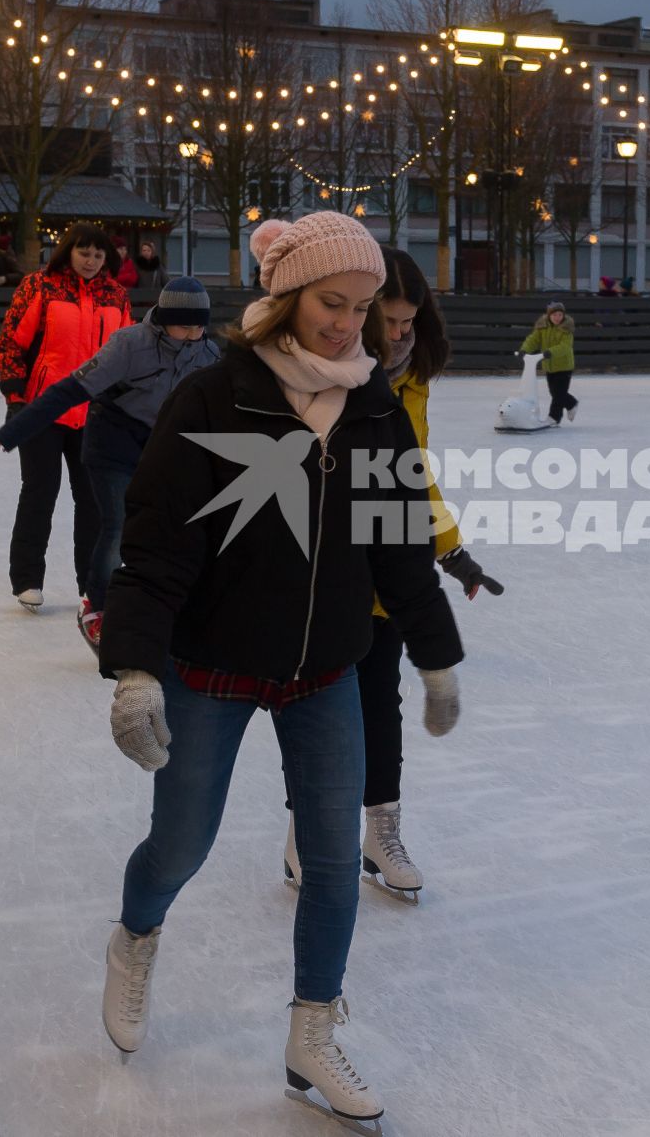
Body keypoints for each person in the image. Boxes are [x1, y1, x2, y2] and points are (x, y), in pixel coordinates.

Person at [96, 211, 465, 1123]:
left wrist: (437, 655)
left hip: (325, 672)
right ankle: (136, 936)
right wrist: (136, 668)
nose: (349, 324)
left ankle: (311, 1033)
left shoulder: (376, 410)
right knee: (182, 843)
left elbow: (400, 551)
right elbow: (152, 551)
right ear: (287, 297)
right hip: (211, 665)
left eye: (365, 307)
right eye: (331, 303)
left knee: (336, 859)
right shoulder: (216, 399)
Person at [282, 247, 502, 897]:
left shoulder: (413, 381)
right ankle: (302, 831)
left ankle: (380, 830)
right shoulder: (322, 372)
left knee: (380, 701)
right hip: (323, 564)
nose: (402, 334)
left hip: (388, 563)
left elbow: (413, 475)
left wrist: (449, 547)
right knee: (320, 706)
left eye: (411, 321)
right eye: (391, 320)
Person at [0, 277, 219, 652]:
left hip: (160, 443)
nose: (194, 334)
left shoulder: (207, 353)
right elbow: (69, 390)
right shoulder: (129, 345)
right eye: (185, 325)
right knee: (116, 525)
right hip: (111, 440)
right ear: (163, 319)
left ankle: (165, 602)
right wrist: (15, 429)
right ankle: (97, 606)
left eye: (200, 326)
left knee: (173, 524)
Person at [0, 222, 131, 614]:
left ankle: (91, 585)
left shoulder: (116, 296)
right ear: (68, 251)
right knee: (39, 491)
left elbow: (124, 356)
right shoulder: (40, 286)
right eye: (83, 253)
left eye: (98, 255)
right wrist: (17, 396)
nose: (90, 261)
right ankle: (27, 579)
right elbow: (10, 341)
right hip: (45, 408)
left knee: (93, 501)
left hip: (95, 413)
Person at [517, 299, 578, 423]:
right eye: (554, 315)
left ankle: (554, 418)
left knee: (558, 394)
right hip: (549, 366)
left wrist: (550, 352)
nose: (557, 318)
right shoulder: (542, 327)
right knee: (554, 392)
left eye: (560, 315)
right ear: (549, 315)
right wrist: (524, 349)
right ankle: (571, 404)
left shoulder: (566, 329)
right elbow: (533, 340)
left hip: (564, 366)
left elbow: (565, 347)